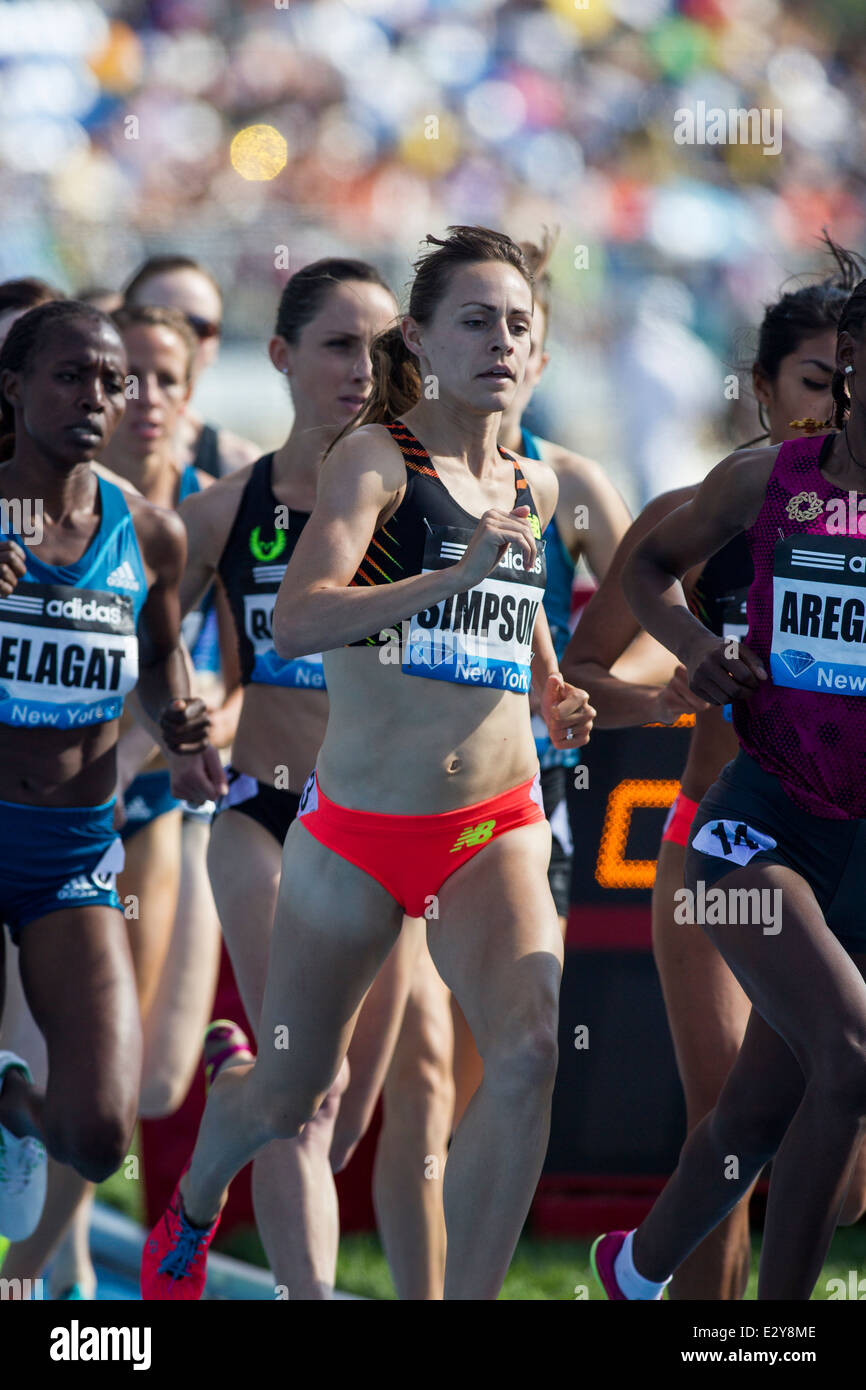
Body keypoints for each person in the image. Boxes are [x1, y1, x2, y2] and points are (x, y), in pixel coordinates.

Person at [141, 224, 594, 1301]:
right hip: (350, 831)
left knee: (527, 1048)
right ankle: (198, 1194)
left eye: (517, 323)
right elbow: (296, 619)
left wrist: (550, 690)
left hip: (492, 824)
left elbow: (511, 603)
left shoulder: (527, 481)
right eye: (474, 320)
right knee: (298, 1088)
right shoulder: (376, 460)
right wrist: (445, 580)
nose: (500, 340)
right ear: (425, 342)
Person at [568, 239, 866, 1299]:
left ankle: (632, 1271)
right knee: (828, 1067)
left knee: (787, 1134)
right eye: (821, 376)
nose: (827, 398)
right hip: (739, 826)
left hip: (853, 844)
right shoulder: (748, 491)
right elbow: (603, 640)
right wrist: (684, 669)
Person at [174, 257, 453, 1299]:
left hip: (383, 826)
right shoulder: (222, 510)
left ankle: (214, 1142)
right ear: (283, 357)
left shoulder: (424, 502)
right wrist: (178, 717)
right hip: (262, 814)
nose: (360, 370)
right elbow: (155, 622)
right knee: (312, 1101)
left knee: (339, 1120)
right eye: (338, 345)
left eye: (384, 351)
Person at [1, 304, 238, 1296]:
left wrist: (180, 719)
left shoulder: (150, 533)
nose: (97, 398)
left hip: (70, 853)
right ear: (11, 388)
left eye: (111, 382)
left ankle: (13, 1105)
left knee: (100, 1133)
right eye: (69, 377)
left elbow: (161, 661)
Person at [122, 256, 260, 478]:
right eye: (157, 320)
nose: (176, 340)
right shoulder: (73, 452)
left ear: (216, 344)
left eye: (199, 327)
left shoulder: (239, 470)